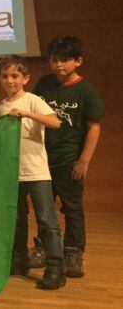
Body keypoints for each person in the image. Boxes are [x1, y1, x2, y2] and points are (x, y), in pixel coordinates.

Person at [0, 56, 66, 289]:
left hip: (37, 172)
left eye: (15, 76)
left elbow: (55, 122)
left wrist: (27, 114)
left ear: (25, 78)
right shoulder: (0, 107)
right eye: (5, 76)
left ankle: (56, 267)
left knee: (46, 220)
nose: (10, 80)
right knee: (17, 219)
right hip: (11, 173)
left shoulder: (32, 100)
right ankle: (19, 260)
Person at [31, 36, 104, 278]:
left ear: (78, 61)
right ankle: (45, 247)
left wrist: (83, 160)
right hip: (42, 159)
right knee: (44, 208)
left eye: (64, 60)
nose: (58, 65)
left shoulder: (86, 91)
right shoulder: (43, 84)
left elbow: (94, 126)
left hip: (69, 161)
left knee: (72, 208)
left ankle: (73, 252)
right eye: (54, 60)